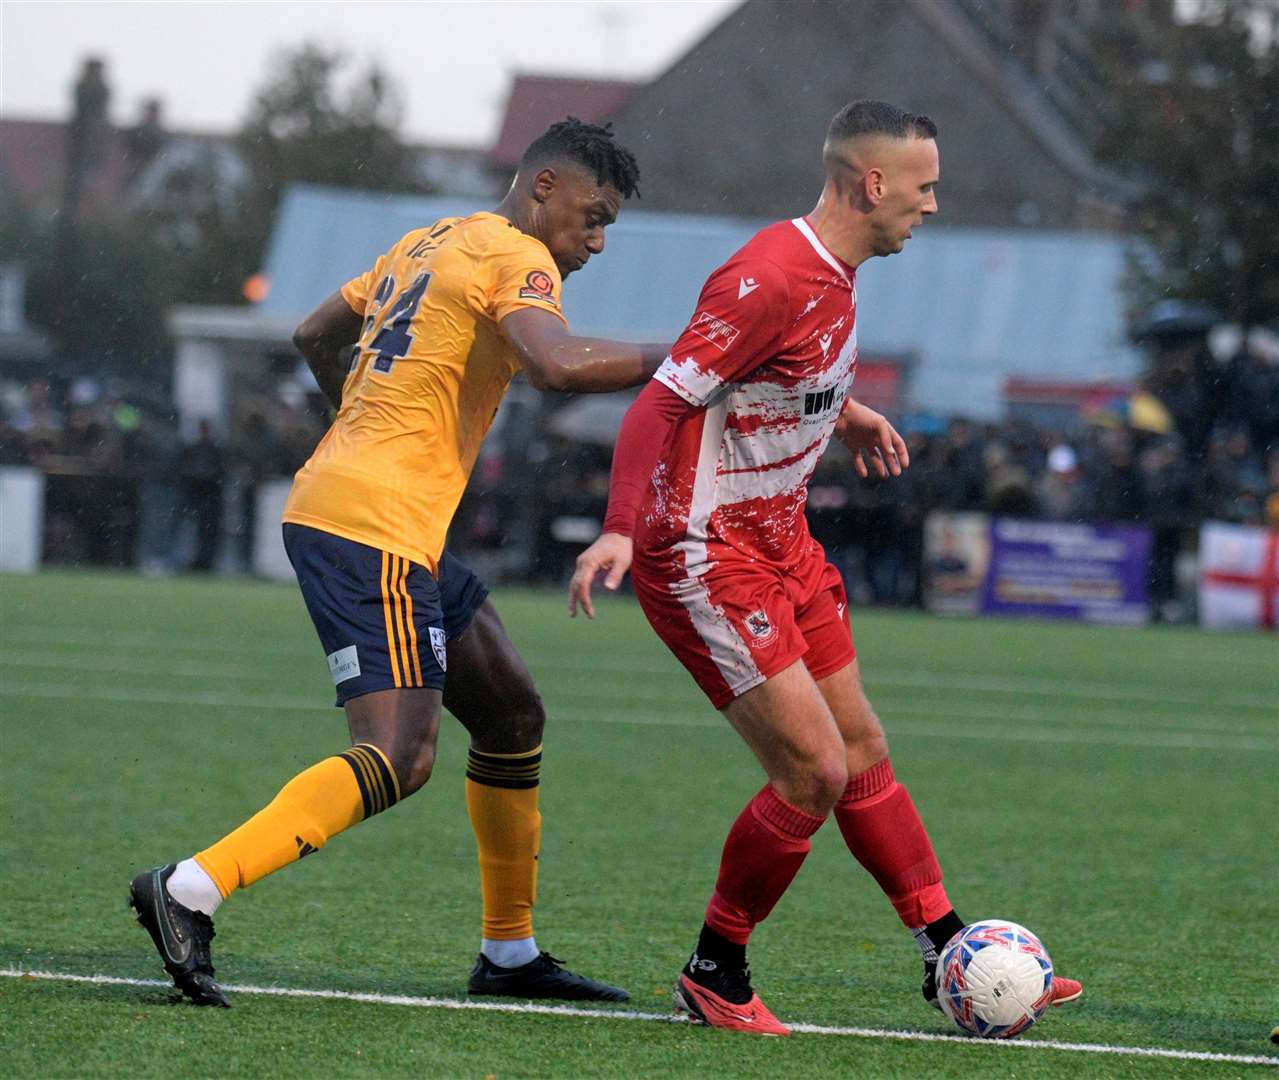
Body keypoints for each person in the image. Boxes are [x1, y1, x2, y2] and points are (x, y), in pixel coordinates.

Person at [569, 100, 1083, 1036]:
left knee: (863, 753)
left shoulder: (836, 274)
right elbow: (662, 402)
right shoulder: (769, 275)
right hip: (705, 554)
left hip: (783, 546)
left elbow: (769, 373)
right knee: (812, 769)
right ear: (873, 183)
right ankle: (714, 969)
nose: (931, 206)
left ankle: (947, 950)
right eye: (924, 188)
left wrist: (840, 413)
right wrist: (614, 528)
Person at [129, 119, 670, 1008]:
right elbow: (557, 365)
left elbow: (312, 334)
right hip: (373, 526)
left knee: (510, 714)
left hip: (380, 518)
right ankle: (191, 888)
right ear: (543, 189)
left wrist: (364, 429)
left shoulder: (427, 240)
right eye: (592, 216)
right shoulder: (516, 257)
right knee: (398, 755)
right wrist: (696, 358)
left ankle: (509, 957)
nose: (596, 242)